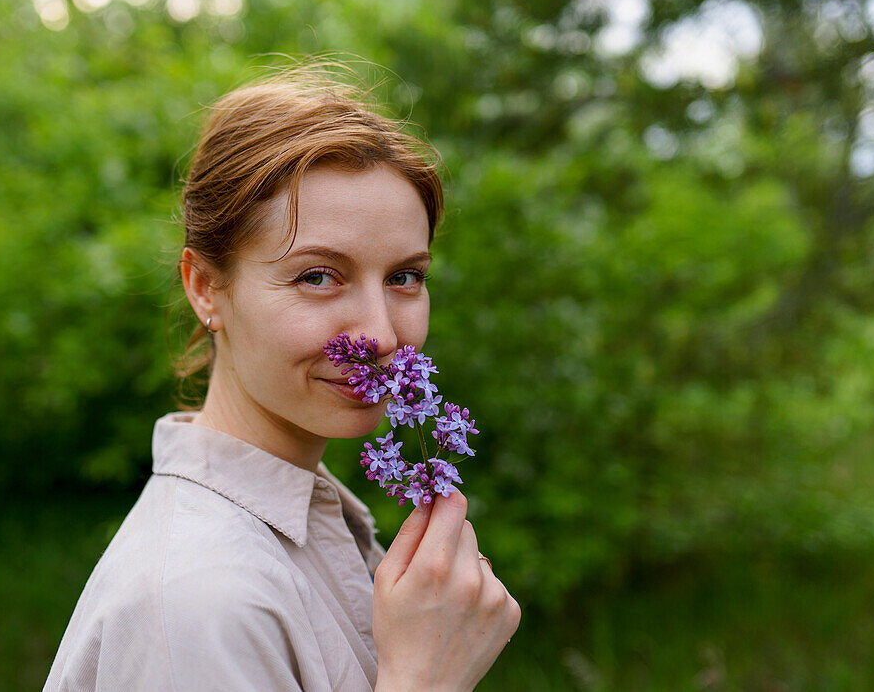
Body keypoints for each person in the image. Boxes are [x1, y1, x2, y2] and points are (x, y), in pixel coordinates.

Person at [43, 64, 521, 691]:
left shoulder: (317, 532)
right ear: (206, 288)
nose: (379, 335)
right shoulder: (199, 603)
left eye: (405, 276)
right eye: (317, 276)